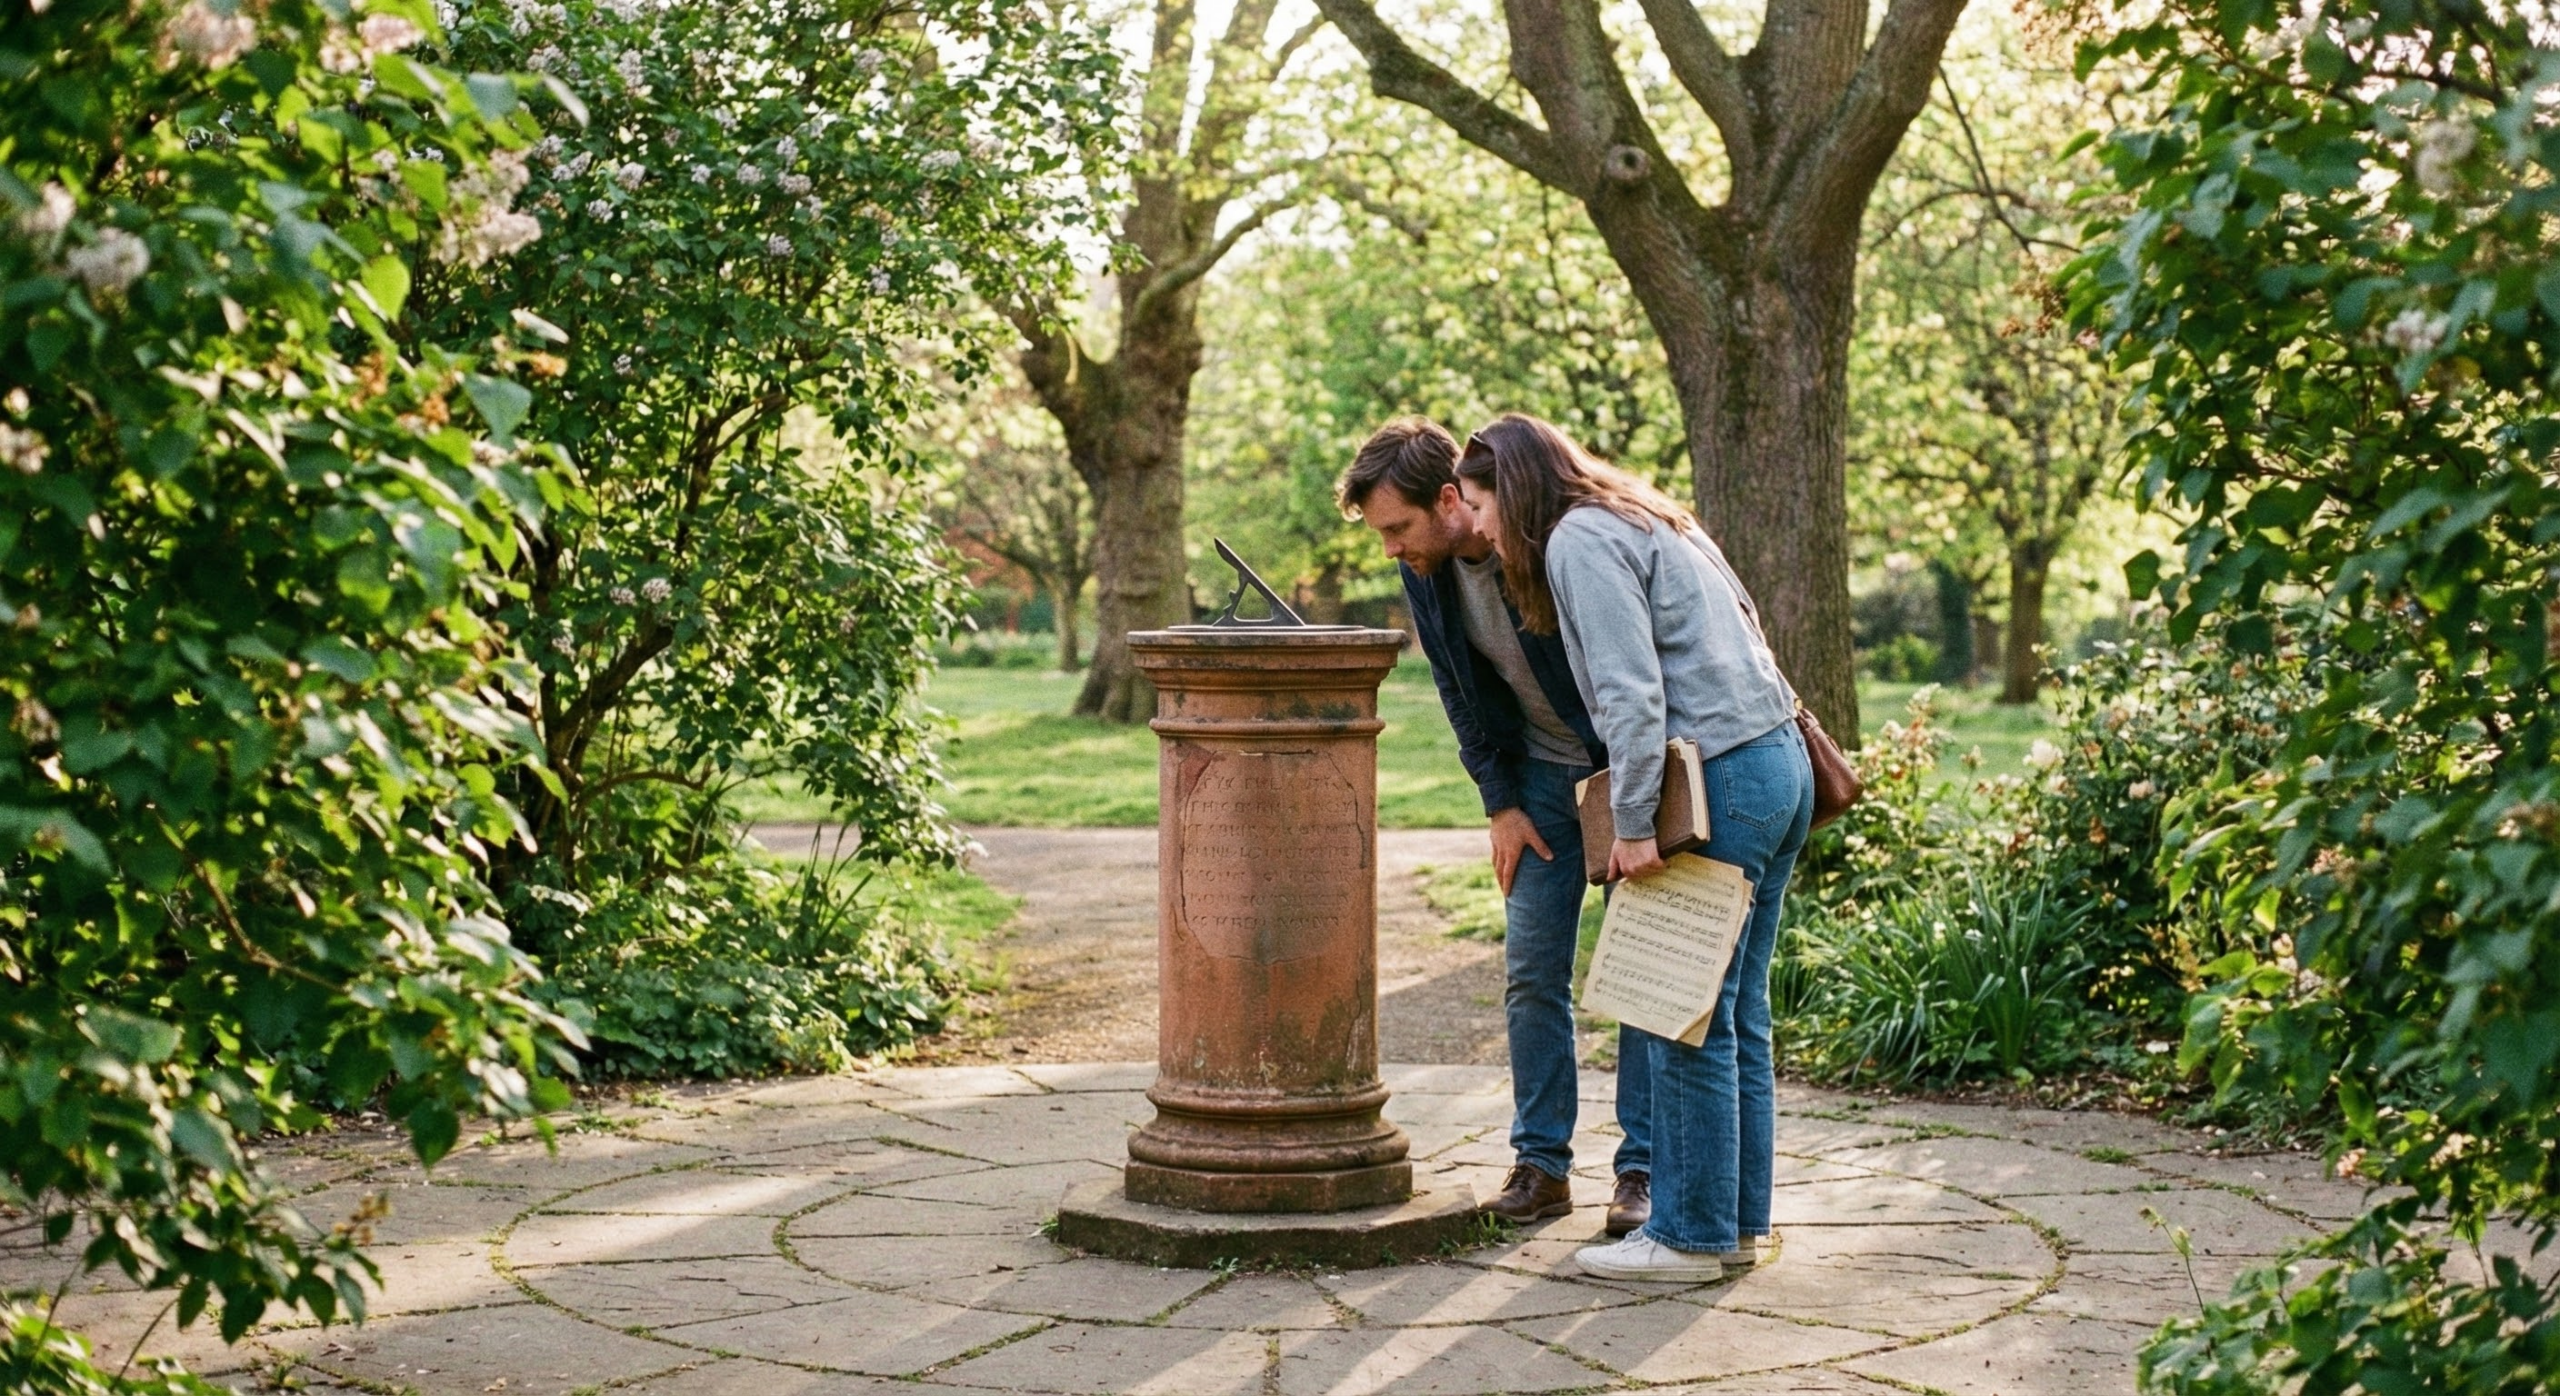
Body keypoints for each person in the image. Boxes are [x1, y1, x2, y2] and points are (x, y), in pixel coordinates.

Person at [1452, 413, 1812, 1281]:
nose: (1482, 530)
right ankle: (1737, 1225)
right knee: (1736, 1016)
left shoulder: (1577, 540)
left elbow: (1630, 698)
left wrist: (1638, 824)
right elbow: (1749, 624)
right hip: (1777, 763)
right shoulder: (1648, 513)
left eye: (1480, 507)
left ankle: (1687, 1237)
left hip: (1715, 782)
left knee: (1681, 1017)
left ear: (1516, 490)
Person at [1338, 417, 1655, 1238]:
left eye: (1398, 528)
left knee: (1638, 975)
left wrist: (1635, 800)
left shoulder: (1551, 546)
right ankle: (1542, 1166)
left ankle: (1643, 1170)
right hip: (1539, 787)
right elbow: (1457, 690)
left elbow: (1628, 678)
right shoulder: (1428, 571)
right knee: (1530, 971)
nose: (1390, 550)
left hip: (1623, 772)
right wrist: (1500, 804)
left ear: (1451, 500)